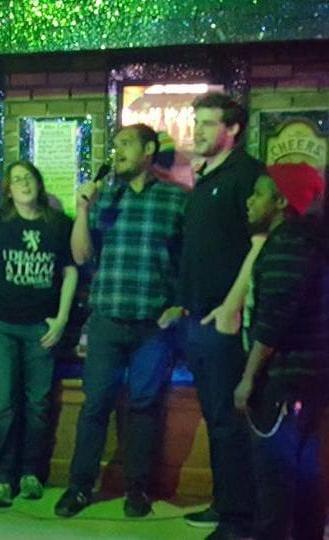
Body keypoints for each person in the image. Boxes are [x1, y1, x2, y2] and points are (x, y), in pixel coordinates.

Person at [54, 124, 186, 518]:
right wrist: (82, 210)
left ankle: (137, 490)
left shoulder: (176, 199)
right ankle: (79, 487)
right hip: (107, 319)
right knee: (95, 405)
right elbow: (80, 255)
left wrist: (180, 305)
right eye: (115, 146)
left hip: (153, 324)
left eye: (126, 144)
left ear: (149, 149)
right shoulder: (106, 198)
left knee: (144, 406)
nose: (118, 152)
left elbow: (190, 259)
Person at [160, 93, 265, 539]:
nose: (197, 130)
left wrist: (232, 306)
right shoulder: (206, 177)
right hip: (197, 318)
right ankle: (226, 505)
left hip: (224, 322)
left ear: (233, 128)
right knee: (217, 418)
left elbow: (261, 244)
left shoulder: (248, 175)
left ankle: (238, 520)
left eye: (207, 122)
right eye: (196, 121)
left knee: (229, 422)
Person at [234, 163, 327, 540]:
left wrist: (248, 378)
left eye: (259, 194)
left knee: (274, 483)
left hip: (283, 380)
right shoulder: (310, 240)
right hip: (310, 377)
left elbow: (273, 320)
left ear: (281, 202)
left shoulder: (288, 243)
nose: (250, 201)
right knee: (304, 474)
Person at [0, 159, 78, 507]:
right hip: (0, 326)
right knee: (2, 404)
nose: (23, 183)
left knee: (37, 403)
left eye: (29, 177)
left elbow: (70, 272)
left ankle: (30, 473)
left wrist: (62, 319)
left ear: (39, 182)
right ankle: (1, 478)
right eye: (16, 179)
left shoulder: (59, 224)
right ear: (8, 190)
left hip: (42, 327)